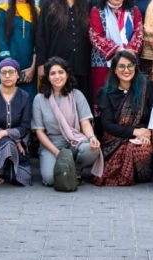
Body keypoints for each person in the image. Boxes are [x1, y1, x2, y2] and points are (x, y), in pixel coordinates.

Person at [33, 57, 104, 186]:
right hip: (52, 145)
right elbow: (39, 132)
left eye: (61, 72)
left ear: (67, 74)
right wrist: (57, 153)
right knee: (50, 179)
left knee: (92, 149)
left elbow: (85, 122)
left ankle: (75, 170)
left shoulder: (77, 95)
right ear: (47, 77)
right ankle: (66, 170)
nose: (57, 76)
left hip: (74, 141)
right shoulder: (39, 99)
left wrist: (92, 137)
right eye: (53, 73)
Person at [95, 50, 153, 186]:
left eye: (130, 66)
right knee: (131, 148)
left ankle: (140, 175)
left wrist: (146, 133)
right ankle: (127, 174)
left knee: (141, 148)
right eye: (121, 66)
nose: (126, 70)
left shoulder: (147, 88)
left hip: (143, 135)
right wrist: (134, 132)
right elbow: (107, 124)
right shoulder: (105, 93)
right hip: (114, 138)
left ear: (135, 67)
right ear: (114, 70)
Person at [35, 0, 93, 97]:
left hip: (81, 64)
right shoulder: (49, 4)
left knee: (80, 100)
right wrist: (41, 64)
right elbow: (41, 35)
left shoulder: (87, 4)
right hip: (56, 64)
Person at [89, 0, 144, 104]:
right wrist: (118, 50)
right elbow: (95, 36)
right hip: (103, 63)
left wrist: (129, 51)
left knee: (129, 97)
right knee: (104, 98)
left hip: (129, 62)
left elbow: (139, 33)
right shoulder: (97, 11)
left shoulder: (133, 10)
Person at [0, 0, 39, 98]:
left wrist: (32, 68)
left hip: (29, 68)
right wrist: (10, 68)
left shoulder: (36, 11)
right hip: (7, 66)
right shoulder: (3, 10)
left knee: (28, 101)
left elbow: (38, 42)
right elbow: (1, 41)